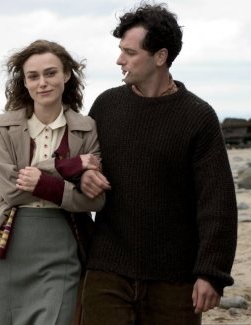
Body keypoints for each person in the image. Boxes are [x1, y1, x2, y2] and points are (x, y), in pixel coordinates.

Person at [79, 3, 238, 324]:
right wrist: (82, 174)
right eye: (120, 50)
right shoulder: (107, 105)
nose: (119, 60)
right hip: (108, 268)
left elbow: (217, 201)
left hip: (176, 277)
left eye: (129, 52)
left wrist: (212, 273)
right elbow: (80, 162)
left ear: (160, 56)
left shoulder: (197, 116)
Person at [0, 39, 105, 325]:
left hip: (62, 250)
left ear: (66, 75)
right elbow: (12, 191)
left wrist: (42, 182)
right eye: (33, 76)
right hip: (8, 249)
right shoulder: (1, 127)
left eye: (50, 73)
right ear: (24, 82)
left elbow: (96, 201)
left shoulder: (85, 128)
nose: (43, 83)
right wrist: (69, 167)